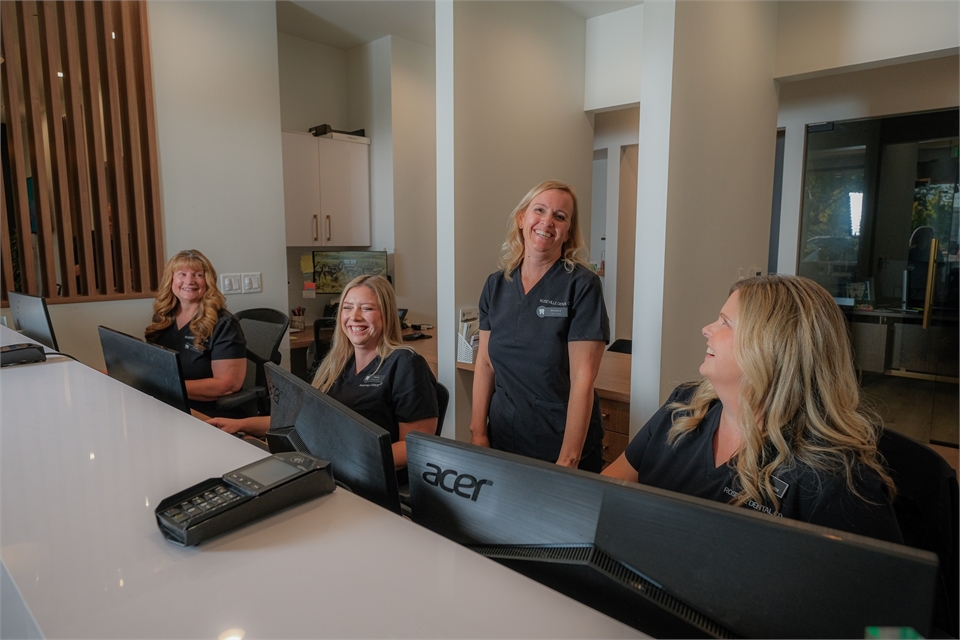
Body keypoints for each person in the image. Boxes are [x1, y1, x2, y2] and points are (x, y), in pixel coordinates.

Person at [602, 274, 903, 543]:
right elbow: (607, 490)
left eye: (725, 322)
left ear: (772, 347)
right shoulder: (684, 406)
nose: (706, 329)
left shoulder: (835, 478)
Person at [209, 275, 439, 474]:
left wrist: (345, 460)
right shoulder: (337, 363)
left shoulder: (405, 363)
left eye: (367, 308)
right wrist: (240, 424)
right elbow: (298, 421)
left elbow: (415, 447)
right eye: (347, 307)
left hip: (366, 477)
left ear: (387, 315)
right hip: (323, 465)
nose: (354, 316)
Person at [469, 180, 610, 472]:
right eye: (540, 210)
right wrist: (477, 432)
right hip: (504, 437)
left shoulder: (582, 286)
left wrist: (568, 460)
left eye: (560, 217)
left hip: (560, 443)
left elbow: (583, 379)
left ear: (568, 232)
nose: (547, 222)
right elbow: (484, 364)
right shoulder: (496, 285)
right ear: (522, 218)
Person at [145, 250, 246, 419]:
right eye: (182, 274)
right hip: (164, 402)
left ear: (208, 281)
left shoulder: (224, 324)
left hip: (204, 413)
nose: (189, 281)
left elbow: (227, 385)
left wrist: (164, 385)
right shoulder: (164, 317)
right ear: (171, 280)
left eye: (198, 275)